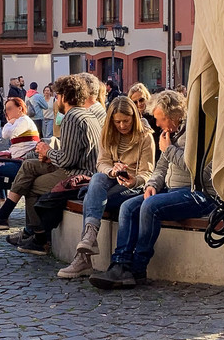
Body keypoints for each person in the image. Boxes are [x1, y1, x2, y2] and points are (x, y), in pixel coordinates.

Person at [88, 91, 206, 288]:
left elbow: (198, 168)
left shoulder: (194, 133)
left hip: (196, 193)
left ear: (173, 116)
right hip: (171, 190)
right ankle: (120, 265)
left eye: (160, 119)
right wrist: (152, 185)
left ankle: (138, 267)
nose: (157, 124)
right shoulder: (170, 134)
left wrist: (168, 149)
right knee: (128, 207)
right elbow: (160, 167)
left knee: (150, 207)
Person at [0, 75, 104, 251]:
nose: (56, 100)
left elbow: (68, 160)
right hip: (77, 167)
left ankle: (39, 238)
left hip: (78, 173)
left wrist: (47, 151)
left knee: (32, 185)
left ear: (65, 96)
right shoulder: (83, 114)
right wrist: (50, 154)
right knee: (28, 165)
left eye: (57, 96)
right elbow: (72, 153)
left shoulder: (72, 117)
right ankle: (4, 217)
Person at [56, 96, 155, 279]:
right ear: (111, 120)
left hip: (133, 187)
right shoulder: (107, 133)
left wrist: (134, 180)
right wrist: (112, 171)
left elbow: (147, 173)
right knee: (98, 178)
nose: (122, 125)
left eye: (126, 121)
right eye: (117, 121)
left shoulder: (145, 137)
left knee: (91, 196)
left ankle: (83, 257)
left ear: (133, 117)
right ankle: (90, 237)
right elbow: (101, 164)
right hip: (111, 181)